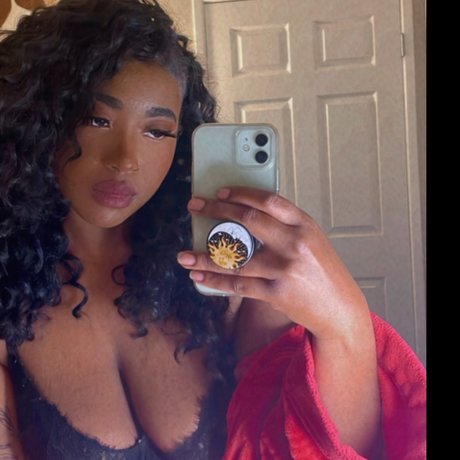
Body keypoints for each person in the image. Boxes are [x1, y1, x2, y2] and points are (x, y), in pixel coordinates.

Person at [0, 0, 426, 459]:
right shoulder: (9, 300)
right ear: (36, 120)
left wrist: (345, 322)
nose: (125, 160)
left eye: (157, 131)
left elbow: (326, 447)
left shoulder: (220, 282)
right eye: (96, 119)